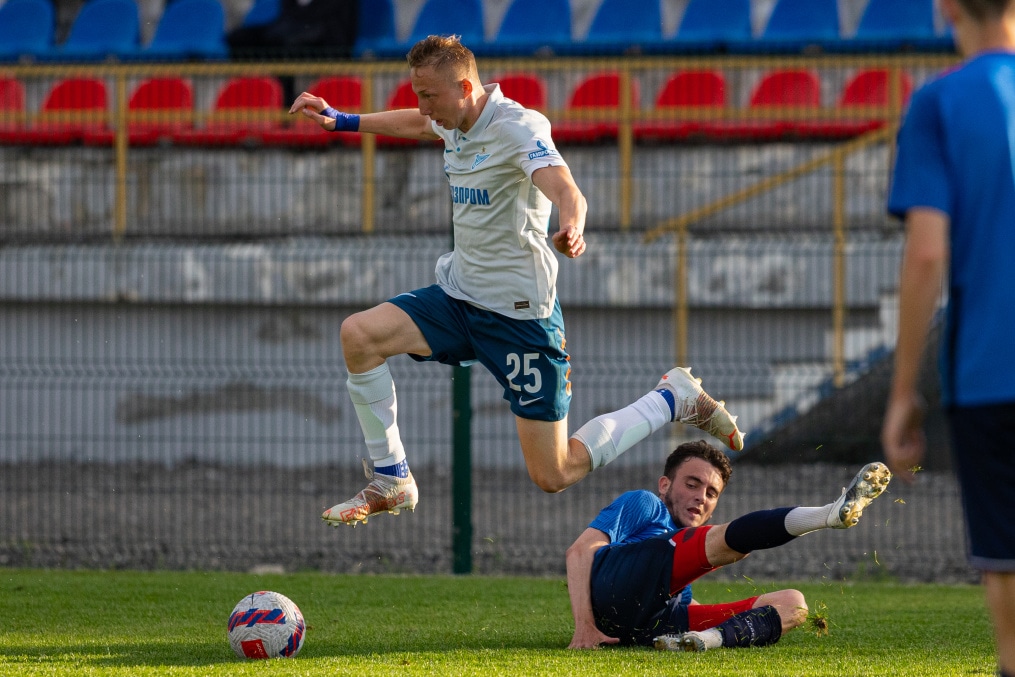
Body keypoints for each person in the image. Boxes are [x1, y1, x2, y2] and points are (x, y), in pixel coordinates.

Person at [288, 35, 744, 527]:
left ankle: (671, 398)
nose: (422, 107)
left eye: (429, 95)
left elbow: (566, 186)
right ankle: (392, 478)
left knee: (553, 472)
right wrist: (343, 119)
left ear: (465, 87)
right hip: (459, 298)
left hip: (520, 318)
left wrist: (572, 223)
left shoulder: (518, 127)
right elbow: (421, 124)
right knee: (359, 334)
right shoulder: (451, 119)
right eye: (417, 93)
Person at [881, 2, 1015, 676]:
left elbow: (927, 254)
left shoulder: (938, 103)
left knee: (1005, 566)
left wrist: (904, 390)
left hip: (992, 370)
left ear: (946, 6)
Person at [566, 440, 891, 651]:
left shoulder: (687, 557)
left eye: (710, 493)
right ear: (665, 484)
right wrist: (584, 626)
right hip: (612, 588)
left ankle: (704, 642)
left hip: (646, 624)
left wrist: (713, 624)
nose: (700, 497)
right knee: (719, 543)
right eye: (692, 484)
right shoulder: (646, 503)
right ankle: (826, 515)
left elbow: (680, 601)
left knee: (795, 604)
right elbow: (580, 551)